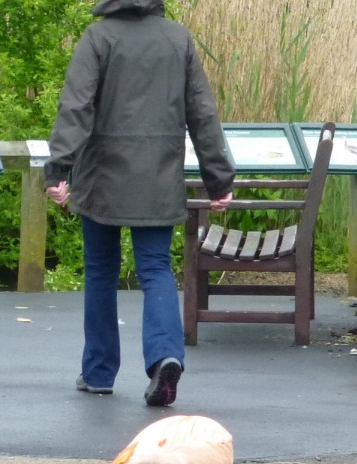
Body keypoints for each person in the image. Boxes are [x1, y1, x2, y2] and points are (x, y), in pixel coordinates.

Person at [44, 0, 234, 407]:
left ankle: (97, 373)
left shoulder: (99, 37)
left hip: (102, 176)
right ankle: (166, 356)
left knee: (100, 271)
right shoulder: (177, 38)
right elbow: (202, 113)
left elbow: (76, 106)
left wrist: (59, 168)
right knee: (155, 268)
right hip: (159, 176)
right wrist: (218, 179)